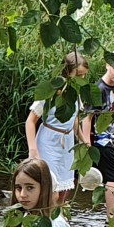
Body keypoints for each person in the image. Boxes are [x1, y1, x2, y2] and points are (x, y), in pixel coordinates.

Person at [80, 49, 114, 227]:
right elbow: (86, 119)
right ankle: (111, 219)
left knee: (110, 176)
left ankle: (111, 216)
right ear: (107, 65)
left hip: (108, 138)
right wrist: (87, 146)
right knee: (113, 176)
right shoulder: (99, 89)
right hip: (98, 140)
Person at [26, 52, 88, 204]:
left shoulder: (77, 94)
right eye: (79, 75)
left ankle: (57, 221)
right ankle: (44, 219)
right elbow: (30, 121)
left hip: (67, 143)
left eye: (84, 75)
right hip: (48, 141)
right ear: (67, 72)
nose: (82, 79)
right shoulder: (50, 93)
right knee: (50, 187)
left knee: (64, 190)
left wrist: (84, 141)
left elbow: (73, 120)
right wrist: (33, 149)